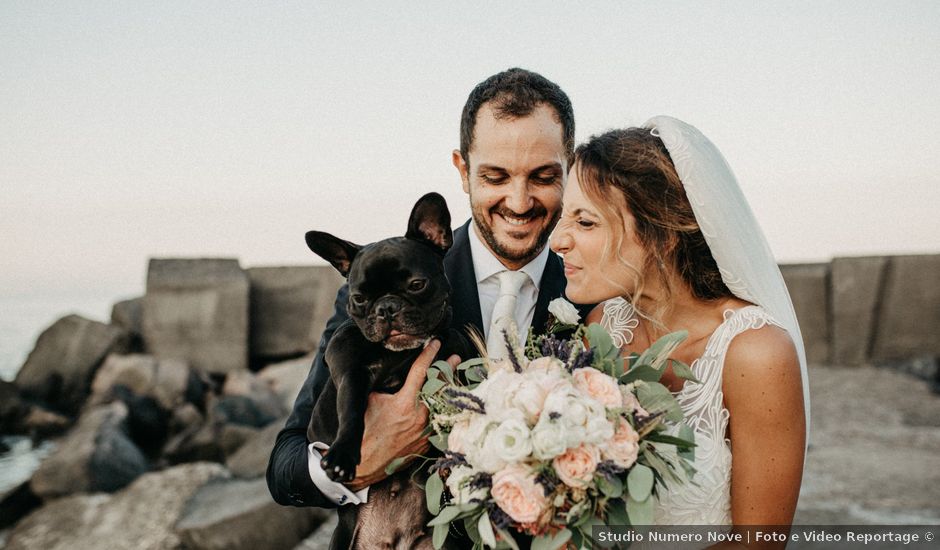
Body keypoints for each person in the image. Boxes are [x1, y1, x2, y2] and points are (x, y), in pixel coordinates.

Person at [266, 67, 591, 525]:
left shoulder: (595, 293)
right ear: (462, 170)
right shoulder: (381, 284)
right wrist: (364, 459)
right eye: (496, 177)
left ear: (570, 168)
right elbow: (284, 468)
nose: (518, 202)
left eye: (541, 177)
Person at [550, 117, 810, 533]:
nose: (558, 240)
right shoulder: (604, 326)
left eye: (585, 222)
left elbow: (758, 545)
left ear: (661, 234)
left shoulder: (756, 353)